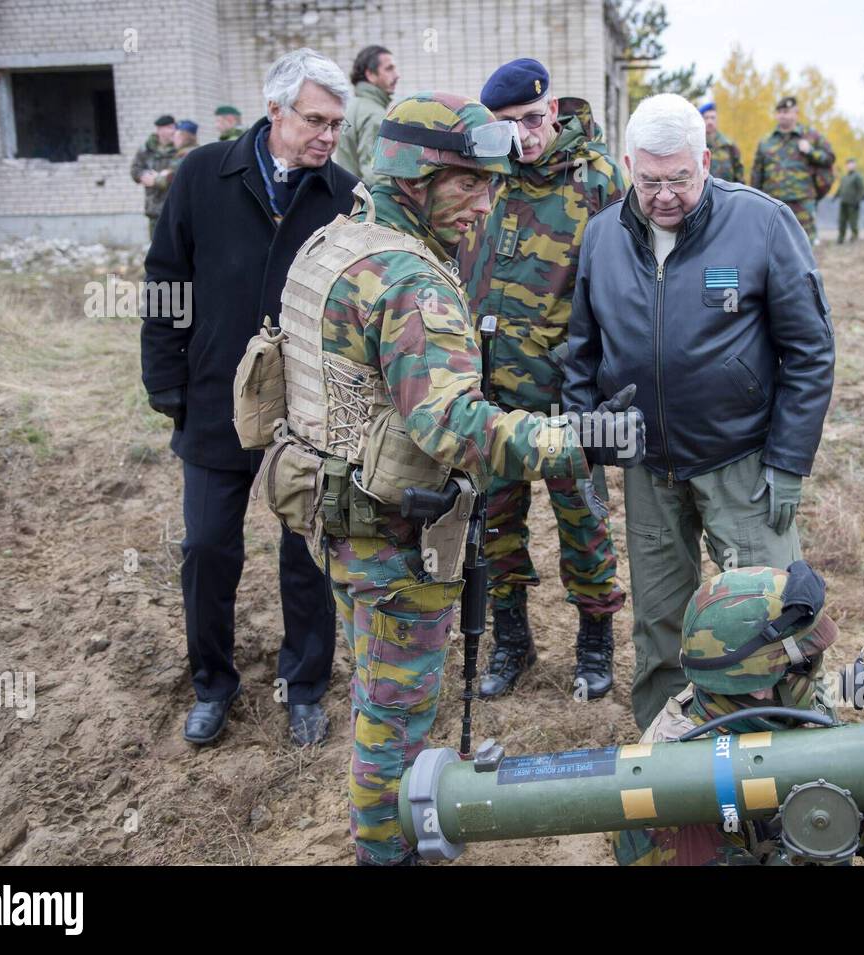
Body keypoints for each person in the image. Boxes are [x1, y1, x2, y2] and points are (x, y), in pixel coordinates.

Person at [272, 92, 643, 864]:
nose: (486, 202)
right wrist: (576, 435)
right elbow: (455, 429)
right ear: (415, 177)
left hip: (332, 517)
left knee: (379, 696)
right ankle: (385, 850)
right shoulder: (412, 281)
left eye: (491, 184)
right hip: (394, 538)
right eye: (468, 184)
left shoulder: (334, 243)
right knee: (395, 718)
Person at [564, 93, 835, 730]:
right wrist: (584, 450)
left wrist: (789, 460)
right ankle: (670, 762)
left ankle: (793, 748)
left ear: (705, 162)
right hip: (647, 465)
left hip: (741, 460)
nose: (663, 195)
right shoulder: (602, 236)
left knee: (771, 615)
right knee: (659, 622)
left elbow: (810, 349)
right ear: (628, 164)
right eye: (649, 180)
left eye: (680, 179)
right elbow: (581, 353)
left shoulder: (761, 223)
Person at [140, 48, 358, 747]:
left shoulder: (344, 195)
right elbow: (167, 277)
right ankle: (212, 682)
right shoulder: (205, 174)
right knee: (207, 545)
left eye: (336, 122)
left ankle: (305, 684)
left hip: (309, 405)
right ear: (275, 111)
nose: (327, 135)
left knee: (307, 547)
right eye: (315, 120)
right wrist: (166, 379)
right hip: (214, 396)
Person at [456, 58, 629, 702]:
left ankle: (594, 643)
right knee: (495, 524)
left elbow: (629, 285)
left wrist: (604, 380)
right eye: (507, 124)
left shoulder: (600, 180)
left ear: (553, 111)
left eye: (533, 119)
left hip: (567, 395)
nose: (524, 136)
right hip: (488, 396)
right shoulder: (481, 176)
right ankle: (512, 641)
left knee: (583, 522)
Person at [610, 562, 864, 865]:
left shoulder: (778, 704)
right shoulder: (675, 800)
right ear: (759, 685)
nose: (818, 674)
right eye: (809, 662)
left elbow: (856, 802)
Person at [750, 95, 835, 243]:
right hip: (773, 202)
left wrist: (810, 151)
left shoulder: (811, 136)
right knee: (774, 244)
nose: (783, 115)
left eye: (787, 111)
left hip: (802, 202)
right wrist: (755, 201)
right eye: (780, 111)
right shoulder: (766, 142)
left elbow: (829, 158)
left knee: (805, 245)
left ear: (796, 113)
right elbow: (757, 174)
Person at [334, 44, 399, 184]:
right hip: (368, 202)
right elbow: (375, 174)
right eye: (389, 69)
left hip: (348, 197)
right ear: (370, 74)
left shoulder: (353, 106)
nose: (396, 75)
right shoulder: (373, 114)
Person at [130, 114, 176, 240]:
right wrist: (143, 176)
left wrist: (161, 178)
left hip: (175, 206)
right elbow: (135, 170)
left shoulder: (179, 149)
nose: (173, 130)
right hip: (154, 206)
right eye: (169, 127)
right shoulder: (146, 149)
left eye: (173, 127)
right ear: (159, 129)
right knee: (157, 246)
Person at [699, 102, 744, 183]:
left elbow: (739, 173)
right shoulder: (697, 145)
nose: (710, 121)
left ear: (717, 120)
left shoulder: (728, 145)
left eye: (713, 118)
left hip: (726, 193)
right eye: (706, 118)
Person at [835, 157, 864, 243]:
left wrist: (858, 201)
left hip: (853, 204)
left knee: (853, 222)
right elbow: (841, 188)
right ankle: (840, 238)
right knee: (842, 221)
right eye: (848, 164)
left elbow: (862, 190)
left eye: (852, 164)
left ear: (855, 165)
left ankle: (854, 237)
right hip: (843, 203)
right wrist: (836, 196)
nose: (850, 166)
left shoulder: (857, 176)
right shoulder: (845, 177)